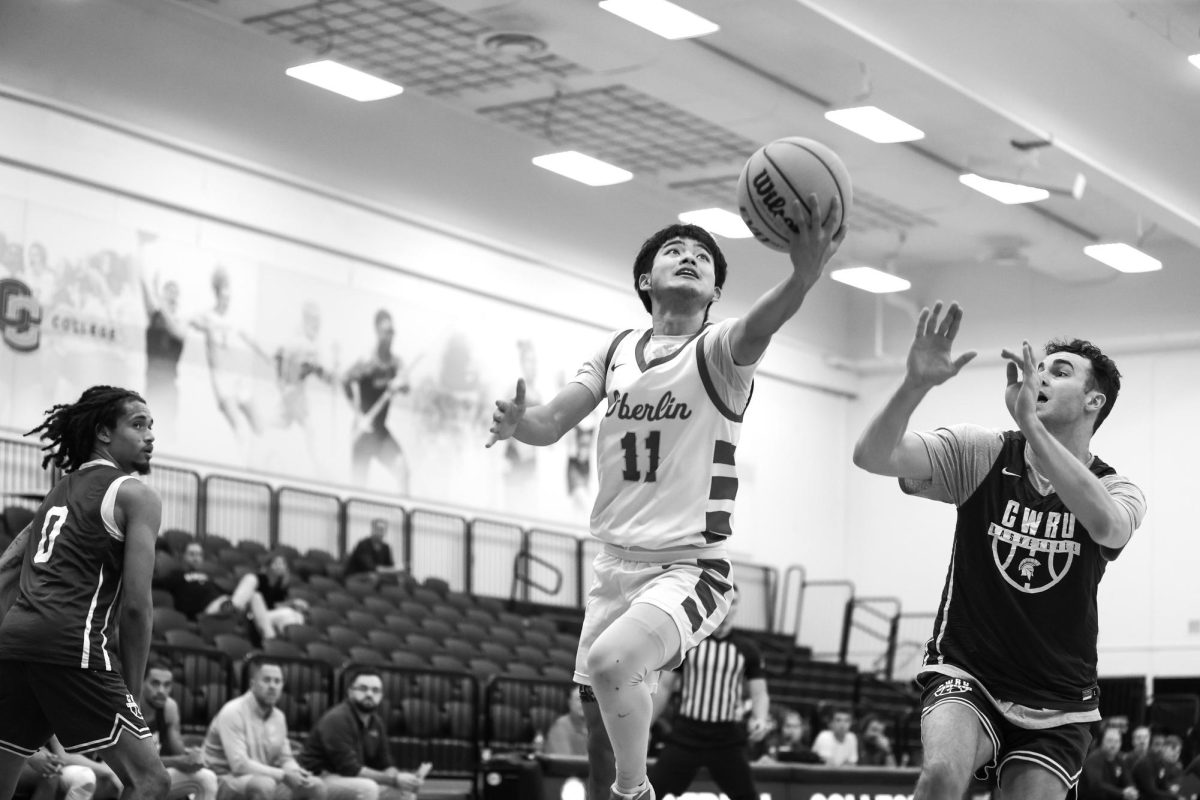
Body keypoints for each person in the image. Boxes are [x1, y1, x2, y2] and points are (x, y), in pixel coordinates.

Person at [486, 198, 844, 800]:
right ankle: (620, 789)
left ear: (714, 294)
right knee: (599, 730)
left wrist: (802, 276)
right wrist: (519, 423)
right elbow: (550, 424)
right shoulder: (616, 351)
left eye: (703, 257)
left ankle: (638, 793)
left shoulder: (721, 352)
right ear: (644, 281)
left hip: (689, 565)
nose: (689, 258)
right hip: (613, 565)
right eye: (674, 252)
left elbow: (762, 323)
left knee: (612, 666)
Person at [852, 303, 1148, 800]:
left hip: (1058, 697)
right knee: (941, 777)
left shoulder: (1118, 488)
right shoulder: (982, 451)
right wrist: (914, 383)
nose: (1042, 376)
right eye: (1040, 369)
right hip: (969, 670)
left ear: (1094, 401)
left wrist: (1032, 425)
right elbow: (872, 456)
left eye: (1060, 370)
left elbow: (1107, 527)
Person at [0, 386, 171, 800]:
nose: (150, 436)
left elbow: (8, 563)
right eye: (138, 424)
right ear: (103, 433)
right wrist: (131, 690)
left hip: (15, 643)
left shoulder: (58, 492)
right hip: (72, 647)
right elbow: (135, 607)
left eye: (152, 427)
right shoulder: (136, 494)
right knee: (151, 781)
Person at [646, 587, 769, 800]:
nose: (728, 608)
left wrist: (760, 718)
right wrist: (645, 725)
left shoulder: (748, 649)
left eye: (734, 602)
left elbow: (759, 694)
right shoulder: (689, 640)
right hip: (687, 734)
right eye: (724, 601)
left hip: (726, 738)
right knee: (653, 791)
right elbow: (665, 686)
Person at [203, 660, 327, 800]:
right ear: (252, 684)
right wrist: (284, 775)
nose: (272, 686)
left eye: (277, 681)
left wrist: (296, 772)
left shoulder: (279, 717)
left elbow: (285, 758)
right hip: (223, 778)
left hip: (262, 777)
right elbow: (239, 765)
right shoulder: (232, 711)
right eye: (266, 680)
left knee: (315, 786)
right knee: (264, 785)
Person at [299, 668, 429, 800]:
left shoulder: (376, 722)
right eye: (363, 688)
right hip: (317, 779)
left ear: (381, 695)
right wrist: (395, 779)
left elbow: (385, 763)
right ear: (350, 692)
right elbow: (350, 768)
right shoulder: (337, 718)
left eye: (375, 690)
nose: (369, 694)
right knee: (368, 787)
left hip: (347, 778)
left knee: (405, 790)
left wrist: (403, 780)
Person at [191, 266, 269, 439]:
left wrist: (268, 358)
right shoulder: (207, 316)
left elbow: (251, 339)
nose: (226, 299)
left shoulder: (235, 319)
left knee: (259, 423)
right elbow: (192, 321)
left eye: (228, 294)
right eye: (223, 293)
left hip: (239, 379)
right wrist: (206, 327)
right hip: (222, 381)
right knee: (239, 426)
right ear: (217, 293)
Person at [343, 310, 411, 492]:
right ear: (377, 332)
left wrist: (400, 385)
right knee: (358, 489)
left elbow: (406, 385)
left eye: (392, 332)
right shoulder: (367, 362)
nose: (390, 337)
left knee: (403, 471)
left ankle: (403, 518)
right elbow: (346, 381)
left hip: (380, 434)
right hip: (363, 434)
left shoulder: (396, 363)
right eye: (386, 332)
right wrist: (358, 415)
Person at [139, 661, 219, 800]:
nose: (161, 691)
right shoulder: (130, 707)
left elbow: (179, 751)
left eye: (167, 685)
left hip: (155, 774)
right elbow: (136, 760)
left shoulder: (169, 707)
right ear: (142, 683)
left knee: (207, 778)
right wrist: (177, 761)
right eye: (155, 683)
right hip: (126, 775)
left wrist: (192, 756)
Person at [231, 552, 309, 642]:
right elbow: (241, 601)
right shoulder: (256, 579)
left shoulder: (280, 587)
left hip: (267, 615)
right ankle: (271, 638)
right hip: (251, 615)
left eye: (282, 564)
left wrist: (292, 603)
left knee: (297, 615)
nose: (279, 566)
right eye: (275, 563)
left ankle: (287, 643)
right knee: (257, 596)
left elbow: (274, 606)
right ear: (268, 566)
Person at [158, 540, 232, 620]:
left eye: (199, 555)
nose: (196, 558)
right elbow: (158, 583)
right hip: (205, 612)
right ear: (183, 555)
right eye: (192, 554)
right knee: (248, 580)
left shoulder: (205, 575)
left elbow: (222, 591)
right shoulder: (177, 574)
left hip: (222, 603)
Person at [12, 743, 96, 800]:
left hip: (39, 754)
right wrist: (33, 755)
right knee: (52, 771)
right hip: (16, 754)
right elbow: (63, 756)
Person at [1080, 725, 1138, 800]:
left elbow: (1127, 778)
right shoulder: (1094, 758)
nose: (1113, 745)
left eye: (1117, 741)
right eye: (1110, 741)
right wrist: (1122, 793)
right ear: (1103, 742)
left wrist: (1131, 790)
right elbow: (1096, 785)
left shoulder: (1120, 759)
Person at [1132, 734, 1183, 800]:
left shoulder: (1163, 764)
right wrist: (1175, 797)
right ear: (1163, 748)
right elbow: (1151, 792)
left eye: (1178, 751)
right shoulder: (1146, 762)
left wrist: (1174, 793)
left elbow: (1163, 786)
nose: (1175, 754)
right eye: (1173, 748)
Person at [544, 690, 589, 758]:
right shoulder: (560, 726)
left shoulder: (599, 727)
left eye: (587, 699)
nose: (583, 703)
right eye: (579, 699)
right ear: (570, 702)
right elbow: (565, 761)